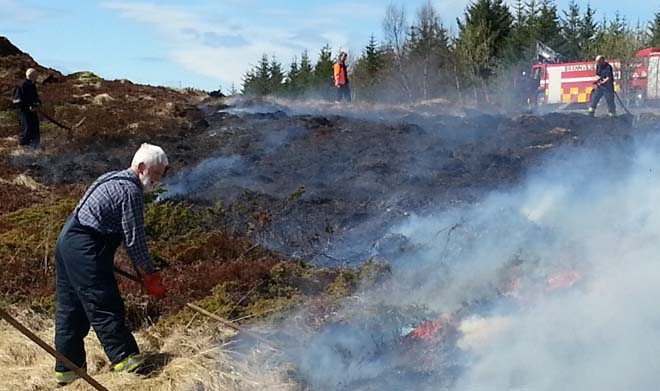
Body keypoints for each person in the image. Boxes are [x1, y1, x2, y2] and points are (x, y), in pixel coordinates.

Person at [54, 143, 168, 386]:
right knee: (104, 304)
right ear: (141, 167)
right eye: (156, 174)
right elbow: (134, 240)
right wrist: (150, 276)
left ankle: (68, 372)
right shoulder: (131, 191)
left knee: (71, 311)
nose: (157, 181)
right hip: (85, 247)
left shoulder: (111, 178)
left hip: (68, 242)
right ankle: (129, 365)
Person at [13, 68, 41, 148]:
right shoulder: (22, 86)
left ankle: (34, 147)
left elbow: (36, 98)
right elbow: (17, 100)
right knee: (26, 127)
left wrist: (36, 104)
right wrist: (28, 105)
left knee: (35, 127)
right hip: (24, 112)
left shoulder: (32, 86)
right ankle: (23, 147)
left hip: (32, 111)